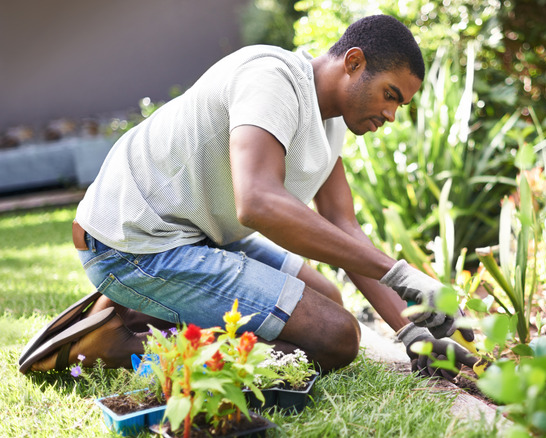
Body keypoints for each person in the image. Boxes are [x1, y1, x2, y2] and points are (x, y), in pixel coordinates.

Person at [18, 14, 476, 379]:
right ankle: (122, 344)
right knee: (335, 336)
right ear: (353, 62)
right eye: (389, 95)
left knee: (327, 296)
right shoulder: (272, 78)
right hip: (133, 244)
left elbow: (343, 225)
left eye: (401, 103)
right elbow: (257, 202)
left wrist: (412, 330)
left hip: (197, 235)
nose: (391, 114)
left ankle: (139, 311)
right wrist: (400, 274)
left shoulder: (331, 121)